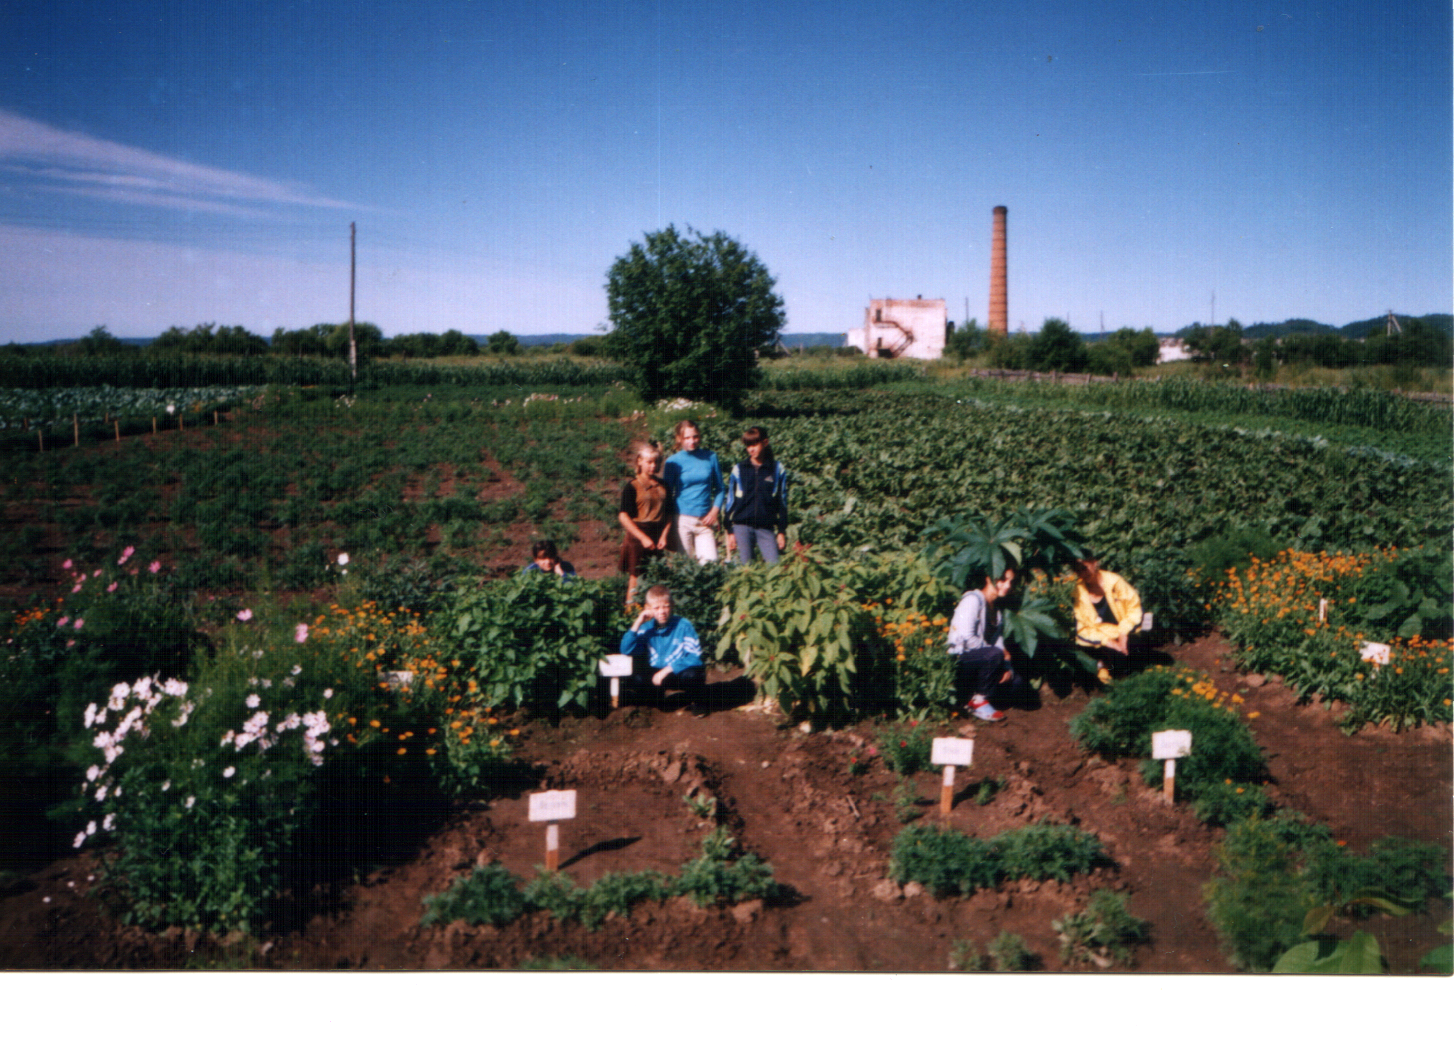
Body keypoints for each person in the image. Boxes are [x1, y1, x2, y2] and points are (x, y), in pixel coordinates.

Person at [947, 566, 1021, 722]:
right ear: (988, 578)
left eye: (1010, 581)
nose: (1007, 585)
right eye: (1002, 579)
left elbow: (999, 644)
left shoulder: (997, 612)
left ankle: (978, 696)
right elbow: (967, 640)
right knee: (994, 654)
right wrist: (998, 656)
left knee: (1016, 682)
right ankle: (977, 701)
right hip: (961, 660)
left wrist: (1006, 668)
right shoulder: (972, 600)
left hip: (985, 660)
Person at [619, 584, 705, 701]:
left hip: (677, 672)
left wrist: (668, 669)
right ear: (648, 608)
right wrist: (638, 622)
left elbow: (695, 657)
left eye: (666, 607)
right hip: (656, 674)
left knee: (693, 676)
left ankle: (699, 702)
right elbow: (626, 649)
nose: (662, 612)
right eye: (656, 608)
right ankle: (658, 698)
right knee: (638, 679)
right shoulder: (646, 628)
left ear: (672, 605)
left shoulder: (683, 625)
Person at [618, 440, 675, 606]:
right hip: (638, 534)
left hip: (658, 533)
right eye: (649, 462)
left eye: (656, 462)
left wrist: (664, 536)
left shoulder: (664, 485)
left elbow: (669, 514)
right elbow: (623, 516)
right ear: (639, 461)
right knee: (636, 574)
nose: (653, 465)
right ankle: (631, 608)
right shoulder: (632, 486)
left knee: (655, 573)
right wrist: (642, 538)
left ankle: (653, 608)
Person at [1070, 555, 1143, 685]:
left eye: (1084, 568)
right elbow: (1082, 627)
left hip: (1123, 630)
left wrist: (1123, 633)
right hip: (1101, 636)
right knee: (1108, 653)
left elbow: (1134, 608)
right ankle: (1105, 665)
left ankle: (1109, 667)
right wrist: (1107, 641)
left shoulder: (1115, 582)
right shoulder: (1079, 591)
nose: (1082, 573)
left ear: (1094, 563)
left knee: (1124, 656)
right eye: (1078, 571)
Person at [723, 426, 789, 565]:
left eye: (754, 444)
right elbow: (730, 501)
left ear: (765, 443)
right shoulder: (739, 469)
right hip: (742, 526)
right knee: (746, 570)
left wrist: (781, 531)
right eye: (748, 445)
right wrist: (730, 530)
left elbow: (782, 501)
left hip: (766, 527)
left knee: (774, 566)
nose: (750, 449)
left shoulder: (777, 469)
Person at [663, 419, 724, 563]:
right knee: (686, 567)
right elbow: (667, 493)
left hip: (705, 522)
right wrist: (668, 524)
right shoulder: (673, 462)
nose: (692, 441)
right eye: (687, 437)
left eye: (695, 436)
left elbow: (720, 488)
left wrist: (714, 511)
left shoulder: (710, 457)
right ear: (679, 439)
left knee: (710, 565)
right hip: (682, 520)